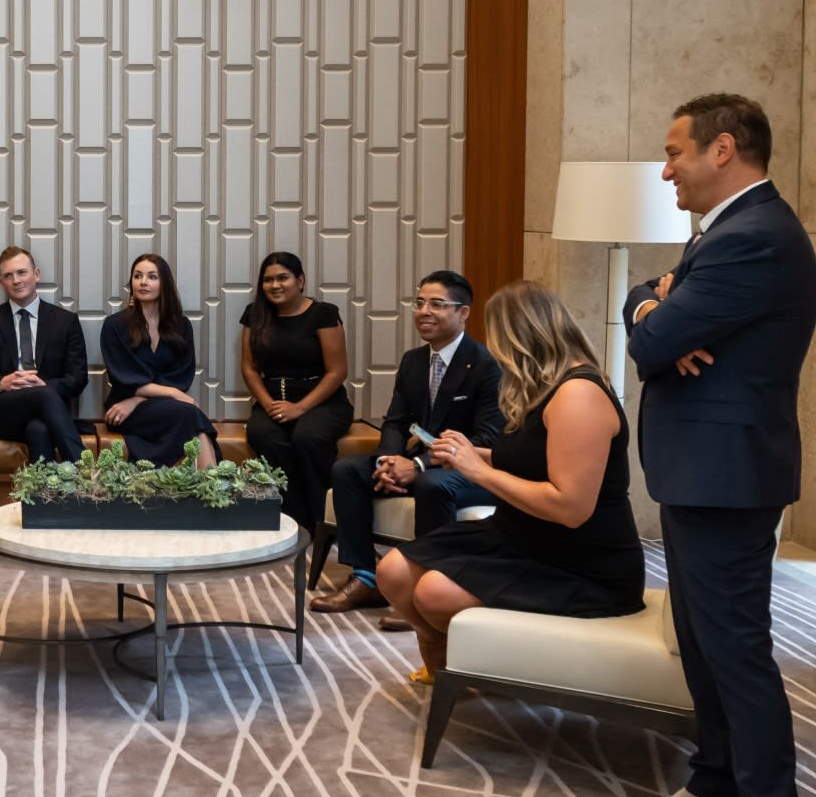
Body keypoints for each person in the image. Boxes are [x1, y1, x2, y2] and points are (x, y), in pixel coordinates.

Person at [615, 94, 816, 797]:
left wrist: (659, 317)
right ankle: (715, 786)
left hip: (727, 477)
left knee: (737, 653)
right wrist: (654, 302)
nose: (665, 169)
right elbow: (644, 304)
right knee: (701, 642)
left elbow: (651, 343)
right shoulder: (728, 233)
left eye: (675, 153)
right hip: (702, 472)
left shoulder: (756, 240)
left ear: (723, 149)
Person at [376, 280, 644, 686]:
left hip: (579, 563)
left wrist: (480, 472)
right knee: (393, 571)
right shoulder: (546, 389)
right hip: (520, 535)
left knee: (434, 592)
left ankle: (457, 665)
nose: (495, 352)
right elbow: (527, 458)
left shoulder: (579, 395)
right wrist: (469, 452)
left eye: (498, 339)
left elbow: (570, 508)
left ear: (521, 337)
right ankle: (442, 647)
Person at [313, 269, 503, 617]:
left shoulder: (486, 366)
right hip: (417, 462)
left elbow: (486, 438)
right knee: (347, 470)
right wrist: (389, 462)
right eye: (419, 303)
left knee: (433, 484)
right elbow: (396, 422)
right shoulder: (413, 361)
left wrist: (417, 466)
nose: (424, 311)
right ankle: (366, 578)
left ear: (463, 312)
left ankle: (426, 587)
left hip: (472, 471)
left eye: (436, 304)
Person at [238, 251, 353, 530]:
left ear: (300, 281)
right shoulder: (255, 315)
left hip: (321, 401)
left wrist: (299, 408)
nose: (275, 285)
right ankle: (291, 521)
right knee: (262, 433)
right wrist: (269, 405)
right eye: (268, 280)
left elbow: (338, 371)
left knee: (308, 437)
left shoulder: (323, 314)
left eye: (282, 278)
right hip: (273, 399)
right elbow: (250, 369)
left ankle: (323, 522)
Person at [0, 246, 89, 461]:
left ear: (36, 274)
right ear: (1, 283)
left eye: (21, 272)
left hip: (48, 415)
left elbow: (78, 378)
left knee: (39, 430)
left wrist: (43, 386)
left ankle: (43, 495)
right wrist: (2, 382)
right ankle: (86, 471)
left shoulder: (65, 321)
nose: (16, 280)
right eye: (8, 276)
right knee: (44, 397)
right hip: (3, 411)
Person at [98, 253, 218, 467]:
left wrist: (138, 399)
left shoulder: (181, 326)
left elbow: (181, 376)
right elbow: (125, 377)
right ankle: (214, 486)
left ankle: (209, 486)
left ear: (164, 284)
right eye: (137, 276)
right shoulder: (114, 325)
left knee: (190, 417)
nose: (143, 282)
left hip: (139, 405)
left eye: (152, 276)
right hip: (121, 411)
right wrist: (171, 392)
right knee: (191, 415)